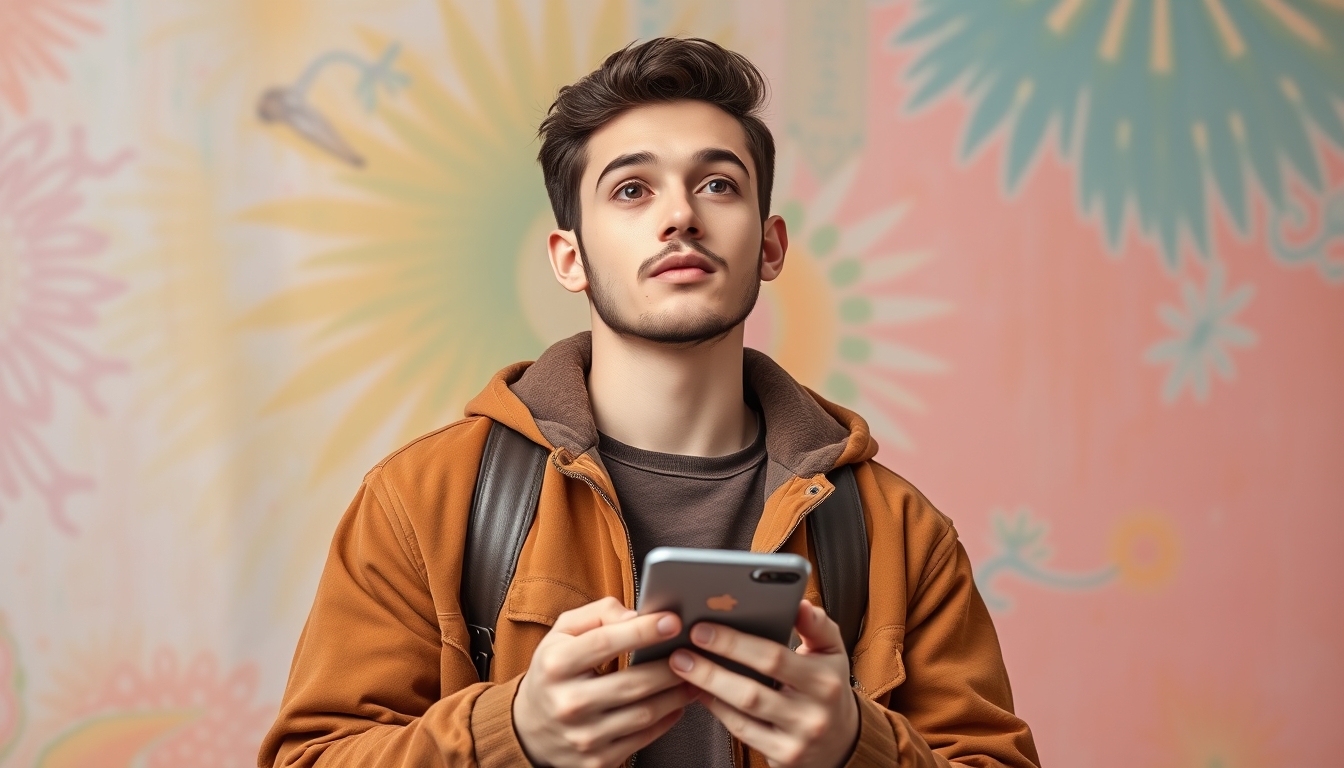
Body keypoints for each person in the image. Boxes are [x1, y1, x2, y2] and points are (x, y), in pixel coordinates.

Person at [258, 37, 1040, 768]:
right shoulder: (421, 501)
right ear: (572, 257)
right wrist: (513, 730)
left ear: (769, 247)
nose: (681, 215)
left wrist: (853, 744)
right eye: (632, 189)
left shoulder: (901, 533)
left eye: (718, 184)